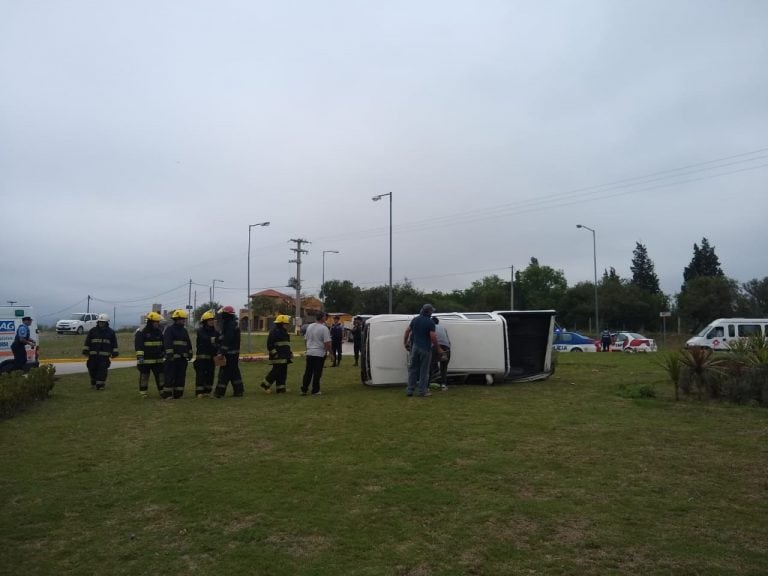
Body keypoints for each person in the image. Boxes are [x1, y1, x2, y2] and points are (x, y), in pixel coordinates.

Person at [403, 304, 441, 397]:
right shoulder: (430, 322)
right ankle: (422, 391)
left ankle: (410, 390)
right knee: (424, 370)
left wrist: (405, 343)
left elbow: (407, 331)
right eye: (432, 311)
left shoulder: (415, 319)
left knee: (413, 369)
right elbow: (432, 336)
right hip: (425, 348)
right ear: (428, 312)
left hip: (415, 347)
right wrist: (438, 348)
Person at [82, 314, 119, 390]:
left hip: (104, 357)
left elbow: (114, 343)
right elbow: (87, 341)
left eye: (103, 322)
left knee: (102, 370)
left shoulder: (111, 332)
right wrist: (85, 350)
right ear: (98, 322)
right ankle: (93, 382)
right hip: (93, 356)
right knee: (92, 368)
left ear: (106, 323)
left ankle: (100, 385)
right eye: (100, 322)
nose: (101, 323)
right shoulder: (93, 331)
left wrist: (115, 352)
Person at [215, 305, 244, 397]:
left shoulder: (230, 324)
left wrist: (222, 352)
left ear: (227, 314)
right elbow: (225, 337)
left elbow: (227, 339)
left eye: (223, 314)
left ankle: (219, 392)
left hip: (229, 353)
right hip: (233, 352)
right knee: (234, 371)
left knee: (225, 372)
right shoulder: (231, 323)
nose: (222, 316)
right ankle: (239, 391)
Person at [135, 311, 166, 398]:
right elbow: (139, 346)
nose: (158, 324)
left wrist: (164, 353)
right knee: (144, 376)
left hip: (158, 359)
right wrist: (140, 359)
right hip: (146, 360)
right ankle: (143, 392)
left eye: (158, 322)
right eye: (156, 322)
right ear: (150, 322)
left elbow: (162, 344)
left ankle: (162, 391)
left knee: (161, 377)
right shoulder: (142, 332)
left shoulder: (159, 332)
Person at [163, 309, 193, 399]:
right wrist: (170, 355)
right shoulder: (170, 330)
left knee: (180, 377)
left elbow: (188, 343)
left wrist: (190, 353)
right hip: (172, 359)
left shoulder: (184, 330)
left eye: (184, 319)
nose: (184, 320)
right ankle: (168, 394)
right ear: (176, 319)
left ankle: (178, 394)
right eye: (182, 319)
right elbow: (167, 343)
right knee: (169, 376)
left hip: (182, 358)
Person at [260, 314, 293, 394]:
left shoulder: (284, 332)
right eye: (286, 324)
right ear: (282, 323)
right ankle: (265, 386)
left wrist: (290, 353)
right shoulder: (274, 332)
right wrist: (275, 354)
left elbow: (286, 345)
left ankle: (281, 389)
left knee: (283, 373)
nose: (287, 325)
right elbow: (270, 345)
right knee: (275, 372)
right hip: (278, 356)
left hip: (284, 356)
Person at [301, 311, 331, 395]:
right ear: (322, 318)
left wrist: (307, 349)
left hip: (310, 352)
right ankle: (315, 390)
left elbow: (305, 339)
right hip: (319, 353)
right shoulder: (324, 328)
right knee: (317, 373)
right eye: (325, 317)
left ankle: (304, 389)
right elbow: (327, 343)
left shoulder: (309, 326)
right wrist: (330, 353)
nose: (326, 318)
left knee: (308, 372)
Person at [194, 310, 219, 398]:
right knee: (201, 374)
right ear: (205, 322)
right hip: (201, 358)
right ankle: (199, 392)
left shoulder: (216, 332)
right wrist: (214, 340)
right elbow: (205, 339)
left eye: (212, 319)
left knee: (210, 374)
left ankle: (207, 392)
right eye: (209, 320)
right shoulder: (201, 331)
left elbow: (218, 342)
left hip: (212, 357)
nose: (212, 321)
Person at [431, 316, 451, 391]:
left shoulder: (431, 327)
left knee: (430, 364)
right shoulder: (443, 328)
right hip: (446, 347)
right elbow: (448, 340)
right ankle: (444, 385)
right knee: (444, 367)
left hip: (435, 346)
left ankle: (428, 384)